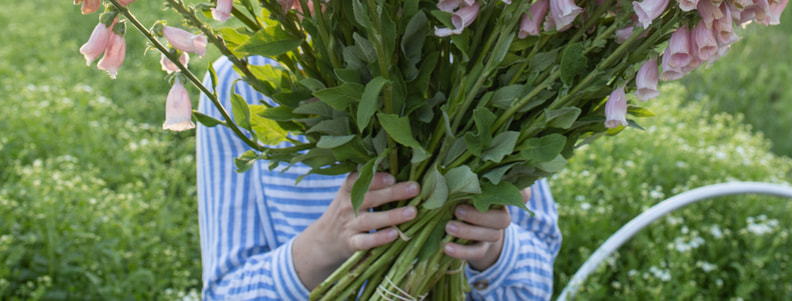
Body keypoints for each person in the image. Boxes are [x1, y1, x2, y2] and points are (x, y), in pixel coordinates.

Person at [197, 55, 562, 300]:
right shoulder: (242, 79)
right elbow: (224, 291)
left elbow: (535, 284)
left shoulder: (493, 55)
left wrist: (493, 249)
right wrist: (324, 244)